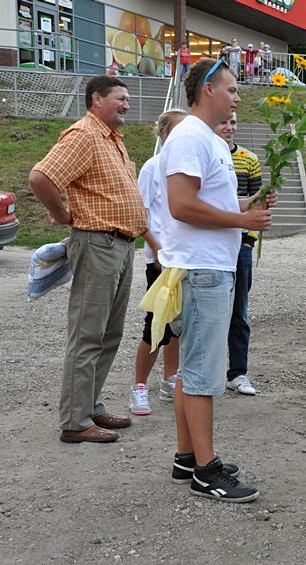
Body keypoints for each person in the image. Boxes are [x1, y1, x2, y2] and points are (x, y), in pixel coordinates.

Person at [157, 57, 274, 502]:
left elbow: (211, 201)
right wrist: (242, 220)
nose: (237, 97)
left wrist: (249, 206)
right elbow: (182, 205)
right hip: (202, 269)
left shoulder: (209, 139)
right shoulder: (190, 136)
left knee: (192, 367)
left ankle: (187, 457)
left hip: (208, 266)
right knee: (203, 372)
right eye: (232, 88)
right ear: (208, 89)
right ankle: (206, 472)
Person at [30, 76, 147, 443]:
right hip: (98, 244)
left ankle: (90, 406)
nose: (126, 104)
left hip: (120, 246)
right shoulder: (84, 134)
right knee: (87, 334)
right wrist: (63, 214)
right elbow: (41, 177)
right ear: (96, 99)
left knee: (109, 333)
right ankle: (75, 422)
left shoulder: (111, 138)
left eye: (127, 99)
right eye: (120, 98)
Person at [129, 108, 188, 416]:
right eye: (177, 129)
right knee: (156, 324)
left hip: (182, 258)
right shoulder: (153, 168)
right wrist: (156, 251)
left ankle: (169, 379)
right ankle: (139, 387)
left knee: (177, 324)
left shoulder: (186, 168)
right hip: (160, 260)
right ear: (164, 134)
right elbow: (140, 215)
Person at [214, 112, 263, 396]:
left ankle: (237, 372)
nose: (229, 127)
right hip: (213, 242)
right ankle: (207, 371)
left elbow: (257, 203)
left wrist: (249, 241)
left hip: (240, 244)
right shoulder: (207, 155)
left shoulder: (249, 159)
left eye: (233, 122)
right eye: (224, 122)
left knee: (239, 311)